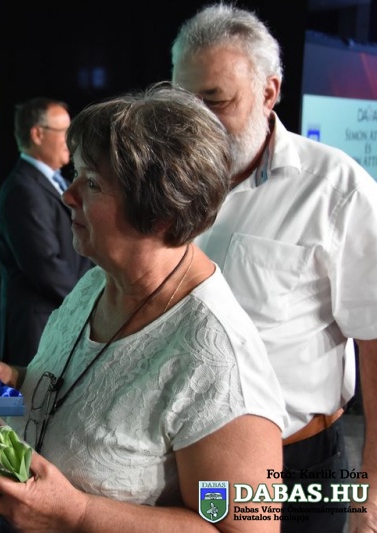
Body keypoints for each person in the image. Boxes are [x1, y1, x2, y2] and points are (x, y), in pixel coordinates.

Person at [0, 84, 286, 532]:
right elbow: (96, 393)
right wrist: (20, 380)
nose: (68, 195)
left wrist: (77, 514)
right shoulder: (98, 282)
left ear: (160, 213)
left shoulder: (219, 359)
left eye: (92, 183)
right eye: (77, 175)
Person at [171, 5, 377, 531]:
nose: (196, 121)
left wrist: (372, 493)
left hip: (295, 469)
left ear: (270, 91)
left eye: (216, 100)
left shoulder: (336, 191)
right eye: (183, 102)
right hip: (181, 466)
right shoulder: (165, 184)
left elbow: (375, 342)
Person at [0, 98, 92, 367]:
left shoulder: (58, 183)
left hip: (61, 322)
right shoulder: (22, 190)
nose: (71, 141)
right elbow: (46, 266)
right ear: (37, 134)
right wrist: (91, 304)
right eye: (65, 132)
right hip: (38, 332)